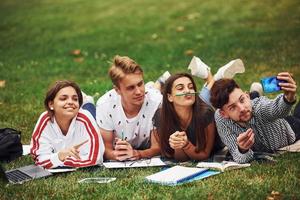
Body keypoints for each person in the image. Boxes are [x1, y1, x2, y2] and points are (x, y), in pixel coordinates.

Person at [155, 56, 245, 161]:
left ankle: (214, 78)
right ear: (169, 97)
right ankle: (212, 77)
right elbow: (180, 159)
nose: (188, 91)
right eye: (180, 88)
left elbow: (204, 154)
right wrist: (179, 145)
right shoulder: (161, 115)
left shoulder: (205, 113)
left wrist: (186, 145)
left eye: (191, 87)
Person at [210, 72, 299, 163]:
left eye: (242, 99)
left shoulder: (259, 106)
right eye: (233, 107)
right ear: (223, 113)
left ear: (246, 96)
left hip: (292, 128)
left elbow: (275, 109)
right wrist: (242, 149)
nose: (242, 109)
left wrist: (288, 98)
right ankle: (255, 93)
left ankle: (255, 93)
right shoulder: (221, 118)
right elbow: (237, 155)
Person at [96, 55, 163, 161]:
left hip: (153, 96)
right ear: (117, 90)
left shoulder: (157, 102)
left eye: (140, 84)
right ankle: (157, 84)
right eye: (130, 88)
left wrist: (136, 154)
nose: (138, 91)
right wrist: (117, 155)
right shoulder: (105, 105)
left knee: (154, 93)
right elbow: (106, 150)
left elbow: (158, 148)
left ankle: (157, 86)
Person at [30, 80, 105, 169]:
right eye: (63, 98)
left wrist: (62, 160)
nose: (70, 102)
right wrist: (60, 155)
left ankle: (87, 102)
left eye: (75, 99)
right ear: (51, 104)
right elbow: (38, 159)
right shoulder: (45, 120)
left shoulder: (85, 118)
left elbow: (96, 158)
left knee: (91, 113)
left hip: (87, 116)